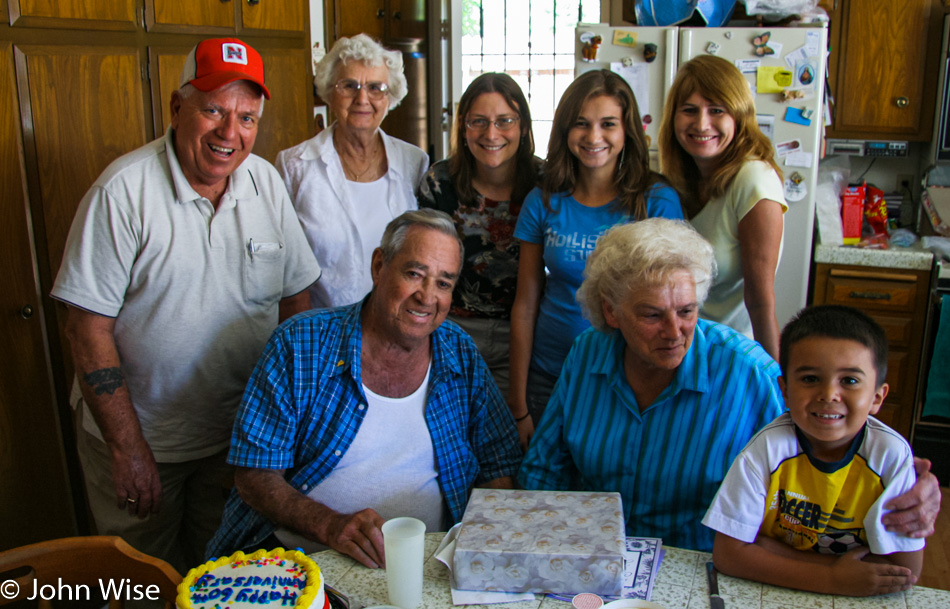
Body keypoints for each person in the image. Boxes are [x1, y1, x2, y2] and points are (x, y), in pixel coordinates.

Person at [50, 38, 321, 572]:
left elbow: (297, 298)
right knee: (143, 579)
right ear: (177, 109)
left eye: (247, 117)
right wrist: (129, 450)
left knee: (222, 576)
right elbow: (86, 329)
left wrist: (281, 426)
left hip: (237, 442)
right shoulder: (122, 193)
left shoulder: (265, 182)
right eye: (214, 109)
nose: (229, 132)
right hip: (144, 440)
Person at [518, 218, 942, 551]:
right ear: (611, 312)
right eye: (651, 315)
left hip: (703, 561)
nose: (674, 331)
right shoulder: (587, 354)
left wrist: (910, 481)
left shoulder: (746, 372)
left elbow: (830, 441)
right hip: (591, 552)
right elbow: (545, 467)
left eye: (687, 310)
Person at [208, 209, 522, 568]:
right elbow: (254, 474)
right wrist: (328, 525)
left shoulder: (459, 351)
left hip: (426, 567)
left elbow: (498, 462)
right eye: (415, 274)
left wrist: (491, 558)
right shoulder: (300, 343)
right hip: (301, 562)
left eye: (443, 283)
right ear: (379, 266)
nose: (427, 297)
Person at [509, 69, 683, 448]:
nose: (593, 137)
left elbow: (672, 303)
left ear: (627, 131)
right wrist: (518, 402)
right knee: (542, 492)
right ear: (565, 131)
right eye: (581, 124)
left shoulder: (656, 202)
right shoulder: (543, 201)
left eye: (608, 124)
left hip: (627, 377)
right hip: (549, 373)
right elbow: (525, 304)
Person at [704, 305, 924, 596]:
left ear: (877, 397)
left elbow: (904, 571)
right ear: (784, 390)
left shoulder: (890, 457)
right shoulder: (768, 449)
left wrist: (772, 552)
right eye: (810, 379)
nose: (828, 394)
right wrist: (833, 577)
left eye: (850, 381)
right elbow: (729, 555)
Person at [276, 34, 428, 309]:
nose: (362, 98)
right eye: (349, 85)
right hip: (323, 332)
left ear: (390, 96)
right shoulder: (294, 165)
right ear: (329, 91)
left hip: (397, 326)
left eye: (375, 87)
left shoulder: (414, 162)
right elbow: (286, 270)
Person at [417, 72, 541, 399]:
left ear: (523, 127)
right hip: (452, 329)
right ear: (462, 126)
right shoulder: (439, 182)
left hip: (527, 334)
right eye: (478, 122)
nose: (491, 133)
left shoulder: (546, 182)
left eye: (504, 121)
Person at [658, 54, 786, 360]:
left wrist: (777, 384)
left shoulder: (753, 179)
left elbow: (760, 300)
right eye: (689, 110)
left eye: (717, 110)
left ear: (739, 116)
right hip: (683, 351)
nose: (702, 123)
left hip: (733, 356)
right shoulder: (679, 178)